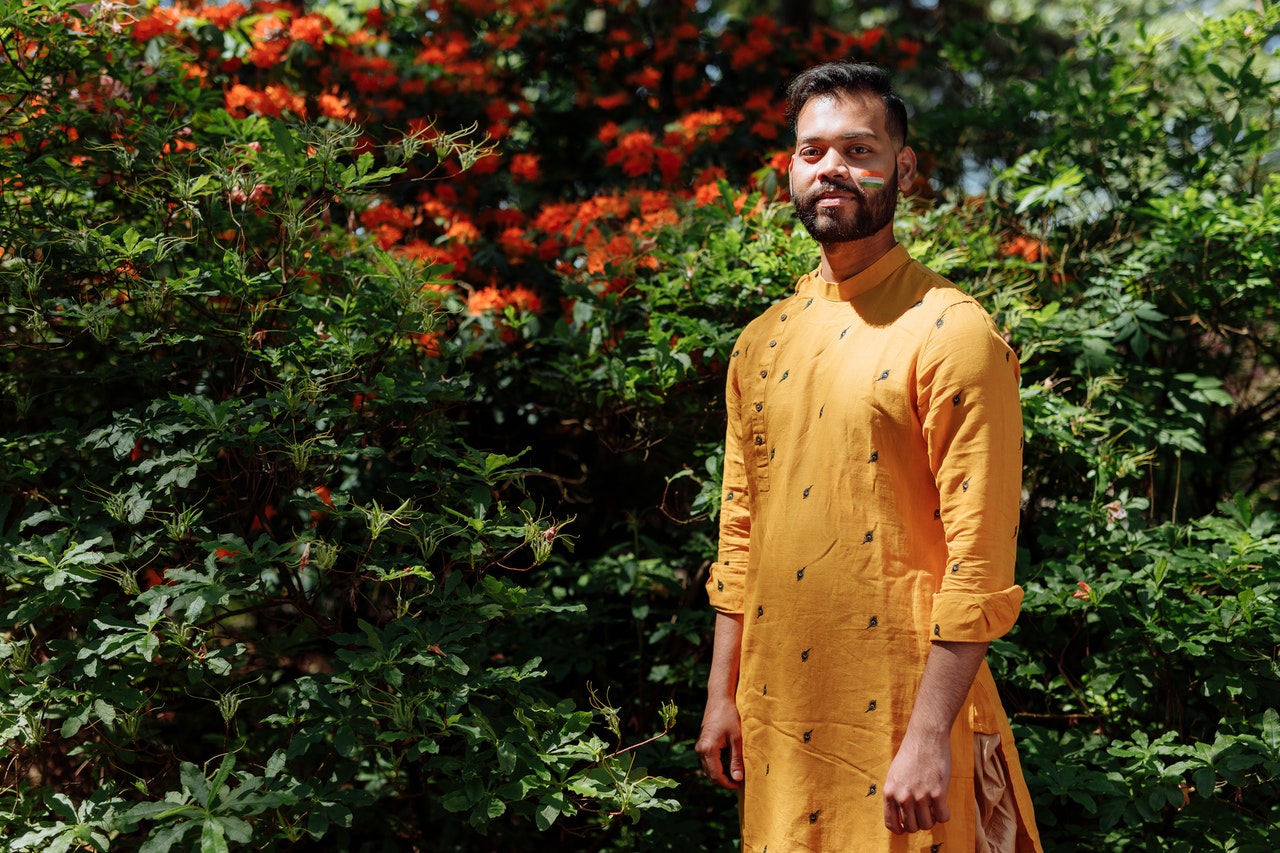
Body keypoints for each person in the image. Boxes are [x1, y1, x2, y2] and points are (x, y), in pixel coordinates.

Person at [694, 62, 1043, 852]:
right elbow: (739, 533)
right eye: (813, 151)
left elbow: (980, 560)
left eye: (859, 149)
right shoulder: (763, 340)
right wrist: (724, 694)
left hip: (909, 723)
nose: (833, 170)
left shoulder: (951, 332)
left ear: (905, 170)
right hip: (781, 716)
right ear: (790, 169)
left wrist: (926, 738)